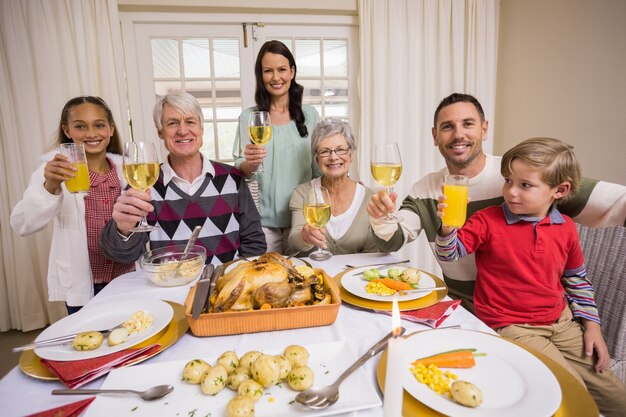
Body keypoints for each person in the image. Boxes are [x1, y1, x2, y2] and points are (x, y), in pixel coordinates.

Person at [367, 92, 626, 310]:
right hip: (464, 309)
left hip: (525, 313)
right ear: (435, 136)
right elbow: (394, 237)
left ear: (484, 129)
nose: (459, 134)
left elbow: (614, 202)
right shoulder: (425, 189)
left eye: (468, 124)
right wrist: (380, 216)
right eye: (448, 127)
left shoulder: (517, 178)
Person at [434, 138, 626, 415]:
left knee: (615, 396)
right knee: (572, 394)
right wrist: (447, 228)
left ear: (560, 190)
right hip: (513, 326)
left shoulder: (566, 228)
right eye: (508, 180)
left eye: (525, 185)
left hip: (562, 323)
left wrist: (592, 327)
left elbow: (576, 280)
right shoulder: (488, 220)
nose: (511, 192)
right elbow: (450, 253)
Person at [100, 90, 266, 265]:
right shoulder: (144, 185)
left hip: (224, 287)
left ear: (201, 129)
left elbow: (255, 243)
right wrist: (123, 228)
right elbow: (121, 256)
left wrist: (234, 279)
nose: (182, 130)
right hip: (170, 288)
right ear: (160, 132)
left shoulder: (232, 178)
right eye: (172, 123)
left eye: (190, 121)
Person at [10, 96, 134, 314]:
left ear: (111, 129)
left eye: (99, 125)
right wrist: (50, 186)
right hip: (84, 282)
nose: (91, 133)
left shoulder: (128, 169)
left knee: (130, 335)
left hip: (127, 275)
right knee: (89, 341)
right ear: (67, 131)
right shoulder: (53, 171)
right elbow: (22, 225)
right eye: (80, 126)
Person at [233, 40, 321, 254]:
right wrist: (251, 163)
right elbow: (240, 170)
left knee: (304, 278)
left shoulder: (310, 115)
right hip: (263, 224)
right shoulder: (249, 117)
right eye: (268, 71)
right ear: (260, 75)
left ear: (292, 72)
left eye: (281, 69)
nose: (275, 77)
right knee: (268, 280)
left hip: (303, 221)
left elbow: (320, 167)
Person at [288, 119, 377, 255]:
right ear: (317, 159)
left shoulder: (370, 197)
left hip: (354, 275)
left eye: (340, 150)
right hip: (314, 275)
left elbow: (373, 254)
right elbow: (294, 241)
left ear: (350, 154)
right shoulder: (302, 193)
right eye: (324, 151)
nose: (333, 157)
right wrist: (305, 237)